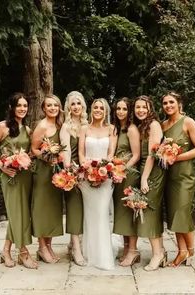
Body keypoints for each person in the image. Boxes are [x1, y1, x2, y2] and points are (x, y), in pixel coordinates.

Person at [0, 92, 37, 269]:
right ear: (12, 107)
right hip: (9, 176)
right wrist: (3, 166)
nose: (23, 109)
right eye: (19, 105)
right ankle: (23, 253)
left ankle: (6, 251)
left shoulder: (28, 130)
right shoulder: (1, 127)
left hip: (25, 176)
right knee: (17, 213)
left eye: (25, 106)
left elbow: (32, 152)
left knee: (21, 213)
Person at [161, 91, 195, 267]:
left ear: (179, 103)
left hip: (184, 175)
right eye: (165, 103)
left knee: (182, 212)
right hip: (167, 176)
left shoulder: (188, 122)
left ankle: (190, 249)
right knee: (174, 214)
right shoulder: (163, 125)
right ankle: (182, 250)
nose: (168, 106)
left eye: (171, 102)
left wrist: (175, 157)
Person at [78, 98, 116, 270]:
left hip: (105, 177)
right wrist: (87, 171)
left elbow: (110, 154)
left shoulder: (111, 129)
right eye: (95, 107)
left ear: (106, 111)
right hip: (86, 177)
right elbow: (80, 153)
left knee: (101, 214)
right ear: (91, 109)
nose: (98, 110)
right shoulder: (84, 128)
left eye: (101, 108)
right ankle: (90, 252)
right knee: (90, 215)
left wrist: (103, 172)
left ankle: (103, 256)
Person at [133, 95, 166, 271]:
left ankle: (157, 254)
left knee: (150, 211)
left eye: (144, 107)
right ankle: (160, 250)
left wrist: (145, 178)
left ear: (150, 108)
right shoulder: (143, 125)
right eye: (137, 107)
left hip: (153, 172)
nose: (140, 110)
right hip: (146, 169)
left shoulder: (153, 125)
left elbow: (152, 156)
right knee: (151, 210)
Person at [31, 94, 64, 263]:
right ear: (43, 108)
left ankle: (49, 246)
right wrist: (48, 156)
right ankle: (41, 247)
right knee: (42, 209)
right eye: (49, 105)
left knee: (52, 210)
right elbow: (34, 149)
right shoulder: (42, 126)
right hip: (43, 172)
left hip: (56, 173)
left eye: (55, 105)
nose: (52, 108)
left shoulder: (59, 124)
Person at [60, 91, 88, 266]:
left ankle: (73, 243)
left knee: (85, 210)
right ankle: (76, 249)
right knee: (74, 209)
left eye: (79, 103)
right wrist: (71, 171)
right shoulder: (66, 127)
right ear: (68, 107)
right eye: (73, 104)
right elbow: (65, 151)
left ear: (83, 106)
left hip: (89, 172)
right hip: (73, 172)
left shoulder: (88, 123)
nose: (76, 107)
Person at [112, 97, 141, 266]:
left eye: (124, 109)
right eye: (118, 109)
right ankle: (125, 248)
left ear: (129, 112)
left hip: (129, 174)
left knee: (129, 213)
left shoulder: (131, 129)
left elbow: (136, 155)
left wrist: (122, 169)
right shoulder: (117, 129)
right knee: (121, 213)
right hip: (118, 175)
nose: (121, 112)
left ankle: (133, 250)